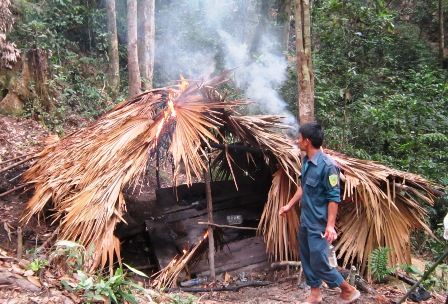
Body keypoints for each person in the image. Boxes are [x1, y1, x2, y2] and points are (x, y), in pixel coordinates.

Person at [279, 122, 360, 304]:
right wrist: (289, 205)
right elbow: (303, 187)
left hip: (319, 223)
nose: (297, 141)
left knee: (319, 261)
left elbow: (334, 198)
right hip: (306, 220)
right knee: (307, 257)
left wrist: (330, 225)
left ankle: (348, 289)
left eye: (299, 138)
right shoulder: (306, 161)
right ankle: (315, 295)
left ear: (307, 141)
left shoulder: (328, 167)